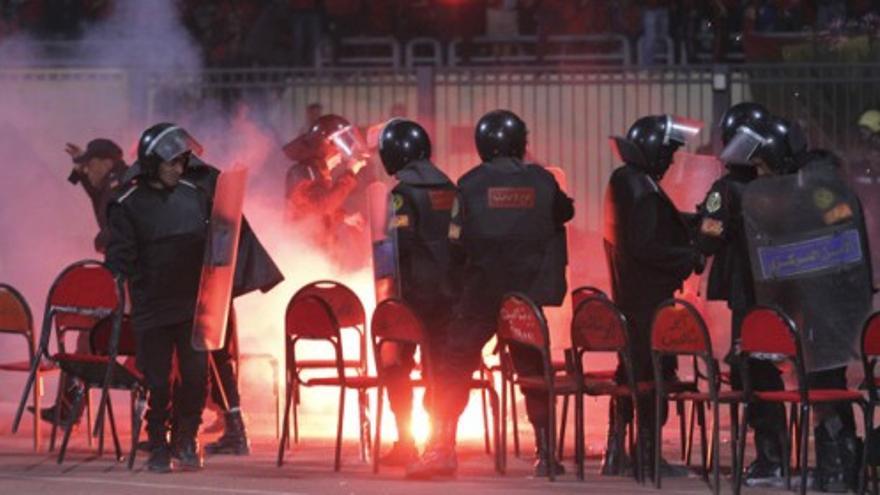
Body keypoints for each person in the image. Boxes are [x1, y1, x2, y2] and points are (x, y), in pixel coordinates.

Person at [406, 109, 574, 479]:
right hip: (525, 300)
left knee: (454, 365)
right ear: (520, 143)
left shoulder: (468, 184)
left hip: (480, 294)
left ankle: (441, 450)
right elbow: (566, 212)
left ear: (483, 144)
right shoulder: (543, 181)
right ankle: (546, 453)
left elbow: (454, 243)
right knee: (534, 371)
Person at [106, 123, 282, 473]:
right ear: (153, 161)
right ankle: (157, 444)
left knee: (196, 378)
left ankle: (185, 439)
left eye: (183, 162)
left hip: (193, 307)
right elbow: (119, 261)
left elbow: (223, 235)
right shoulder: (126, 203)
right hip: (152, 309)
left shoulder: (196, 193)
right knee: (156, 382)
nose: (178, 168)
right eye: (172, 162)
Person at [723, 116, 871, 492]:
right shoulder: (805, 185)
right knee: (819, 383)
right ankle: (833, 467)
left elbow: (839, 229)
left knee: (826, 383)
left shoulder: (820, 189)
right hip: (818, 305)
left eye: (761, 165)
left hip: (832, 306)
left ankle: (838, 467)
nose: (758, 173)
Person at [601, 114, 702, 479]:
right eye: (668, 153)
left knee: (630, 373)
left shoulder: (626, 181)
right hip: (648, 304)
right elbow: (648, 245)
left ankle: (617, 452)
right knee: (652, 376)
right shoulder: (642, 188)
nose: (671, 160)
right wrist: (691, 256)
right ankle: (647, 456)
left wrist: (690, 222)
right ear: (654, 150)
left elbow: (653, 227)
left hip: (630, 300)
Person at [696, 102, 787, 487]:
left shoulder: (726, 190)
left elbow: (709, 237)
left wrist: (699, 224)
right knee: (767, 371)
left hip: (746, 297)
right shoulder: (778, 186)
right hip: (777, 293)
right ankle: (776, 457)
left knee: (752, 372)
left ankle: (771, 461)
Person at [374, 118, 457, 466]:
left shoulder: (401, 195)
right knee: (439, 370)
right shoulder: (450, 188)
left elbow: (397, 243)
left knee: (393, 365)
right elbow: (458, 236)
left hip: (412, 296)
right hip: (449, 295)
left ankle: (406, 440)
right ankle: (440, 441)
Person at [31, 138, 130, 427]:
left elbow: (120, 224)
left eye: (91, 163)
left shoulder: (120, 187)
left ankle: (68, 408)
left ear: (108, 162)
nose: (86, 170)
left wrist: (106, 237)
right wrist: (78, 165)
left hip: (127, 280)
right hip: (124, 278)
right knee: (86, 338)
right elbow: (96, 196)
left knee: (88, 338)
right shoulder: (115, 183)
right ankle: (68, 407)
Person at [283, 114, 369, 267]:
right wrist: (350, 173)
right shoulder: (303, 172)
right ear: (325, 146)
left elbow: (319, 211)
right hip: (305, 257)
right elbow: (321, 206)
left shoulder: (317, 172)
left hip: (320, 254)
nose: (342, 156)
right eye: (338, 145)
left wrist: (343, 217)